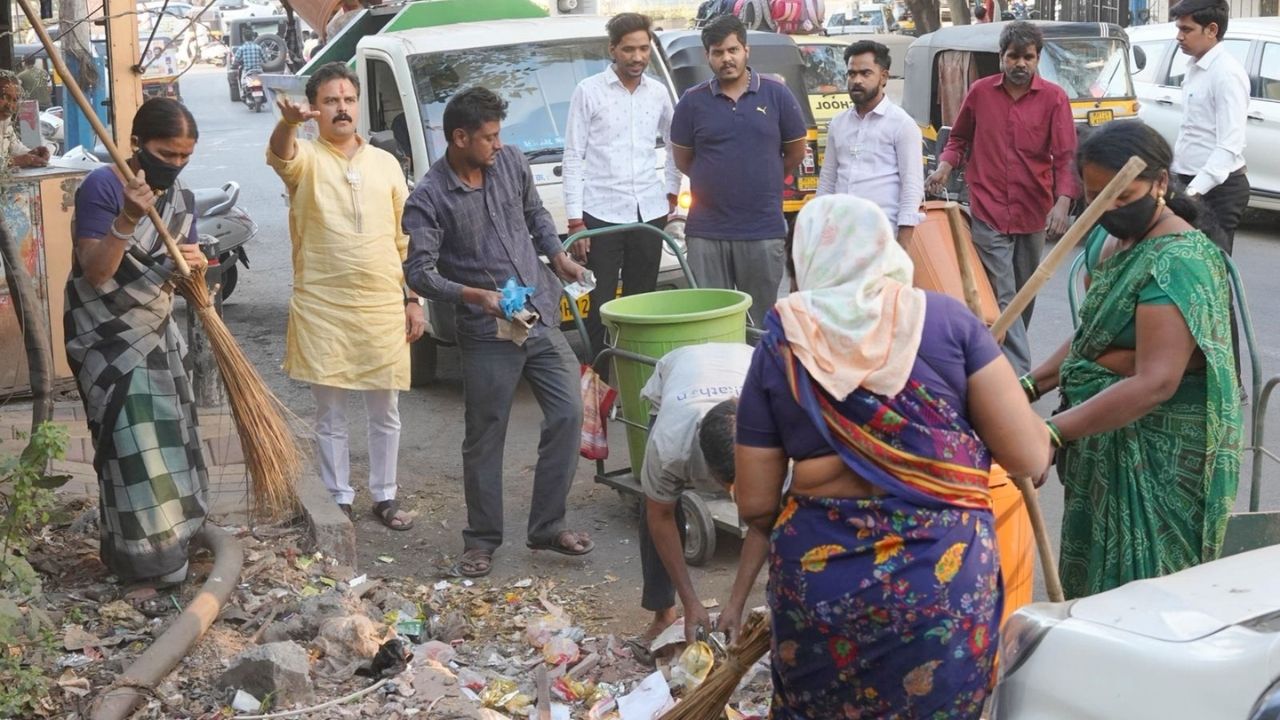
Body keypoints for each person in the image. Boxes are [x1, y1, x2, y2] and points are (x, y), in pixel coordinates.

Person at [727, 195, 1051, 717]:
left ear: (801, 262)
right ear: (886, 251)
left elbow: (756, 504)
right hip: (938, 580)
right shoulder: (948, 320)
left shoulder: (783, 342)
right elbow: (1029, 457)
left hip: (821, 583)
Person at [1022, 121, 1242, 599]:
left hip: (1158, 455)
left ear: (1160, 183)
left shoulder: (1178, 260)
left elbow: (1157, 380)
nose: (1111, 209)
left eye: (1124, 196)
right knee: (1093, 589)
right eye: (1097, 196)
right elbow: (1092, 339)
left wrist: (1053, 431)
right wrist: (1027, 386)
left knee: (1149, 602)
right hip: (1101, 435)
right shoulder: (1106, 242)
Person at [403, 87, 595, 578]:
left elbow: (535, 215)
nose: (498, 143)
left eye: (498, 134)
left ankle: (547, 527)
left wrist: (559, 257)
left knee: (569, 413)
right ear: (459, 138)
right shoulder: (429, 198)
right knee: (486, 435)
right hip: (487, 331)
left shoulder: (510, 162)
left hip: (538, 312)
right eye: (488, 137)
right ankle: (482, 540)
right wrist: (475, 295)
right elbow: (419, 273)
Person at [64, 97, 211, 600]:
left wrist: (193, 265)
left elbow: (175, 278)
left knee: (166, 444)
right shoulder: (103, 186)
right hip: (107, 340)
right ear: (136, 145)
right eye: (166, 154)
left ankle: (171, 550)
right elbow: (97, 271)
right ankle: (143, 564)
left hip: (155, 334)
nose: (175, 165)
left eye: (185, 156)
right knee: (130, 449)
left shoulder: (182, 199)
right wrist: (127, 216)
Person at [266, 62, 421, 530]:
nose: (342, 108)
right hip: (323, 303)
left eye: (349, 100)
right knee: (329, 412)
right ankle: (339, 496)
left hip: (381, 303)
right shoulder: (306, 157)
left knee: (386, 410)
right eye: (331, 101)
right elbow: (280, 157)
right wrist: (287, 124)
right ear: (315, 109)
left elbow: (406, 239)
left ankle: (385, 494)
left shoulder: (385, 163)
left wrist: (413, 299)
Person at [925, 21, 1079, 376]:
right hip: (988, 206)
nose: (1020, 63)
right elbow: (959, 139)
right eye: (1013, 56)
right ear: (1001, 57)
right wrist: (944, 168)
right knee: (1004, 291)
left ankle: (995, 359)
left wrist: (1063, 202)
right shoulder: (980, 93)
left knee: (1025, 293)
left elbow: (1066, 155)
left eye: (1028, 57)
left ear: (1037, 58)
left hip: (1033, 209)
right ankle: (1018, 376)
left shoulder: (1054, 98)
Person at [670, 15, 808, 324]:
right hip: (706, 232)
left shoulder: (777, 94)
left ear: (746, 50)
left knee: (760, 323)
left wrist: (762, 176)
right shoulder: (692, 102)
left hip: (762, 230)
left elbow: (795, 153)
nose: (726, 58)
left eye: (733, 50)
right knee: (711, 321)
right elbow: (683, 160)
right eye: (718, 52)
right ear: (707, 56)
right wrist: (717, 179)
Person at [563, 12, 679, 360]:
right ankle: (599, 381)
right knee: (600, 305)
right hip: (601, 215)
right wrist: (575, 222)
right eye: (629, 49)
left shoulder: (658, 92)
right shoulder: (588, 91)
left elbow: (676, 143)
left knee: (641, 303)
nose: (638, 57)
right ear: (612, 49)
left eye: (644, 48)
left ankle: (635, 377)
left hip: (649, 212)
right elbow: (573, 156)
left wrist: (671, 190)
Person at [634, 343, 758, 646]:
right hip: (679, 369)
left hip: (742, 360)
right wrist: (691, 602)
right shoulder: (669, 446)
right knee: (652, 505)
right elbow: (660, 515)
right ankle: (664, 614)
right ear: (707, 470)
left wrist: (736, 604)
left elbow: (763, 526)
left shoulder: (771, 435)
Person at [816, 40, 923, 245]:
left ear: (883, 77)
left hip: (881, 238)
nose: (857, 80)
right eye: (851, 74)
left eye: (865, 73)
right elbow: (828, 180)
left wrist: (903, 244)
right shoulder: (838, 123)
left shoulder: (902, 124)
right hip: (839, 237)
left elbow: (912, 185)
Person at [1169, 0, 1249, 254]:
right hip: (1188, 182)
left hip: (1216, 190)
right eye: (1178, 29)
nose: (1179, 37)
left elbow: (1229, 145)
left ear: (1212, 30)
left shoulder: (1226, 74)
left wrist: (1193, 192)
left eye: (1187, 29)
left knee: (1210, 270)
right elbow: (1193, 132)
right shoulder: (1195, 67)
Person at [0, 72, 48, 169]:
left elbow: (15, 147)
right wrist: (16, 161)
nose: (10, 105)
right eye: (5, 97)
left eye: (15, 100)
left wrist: (32, 153)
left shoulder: (5, 122)